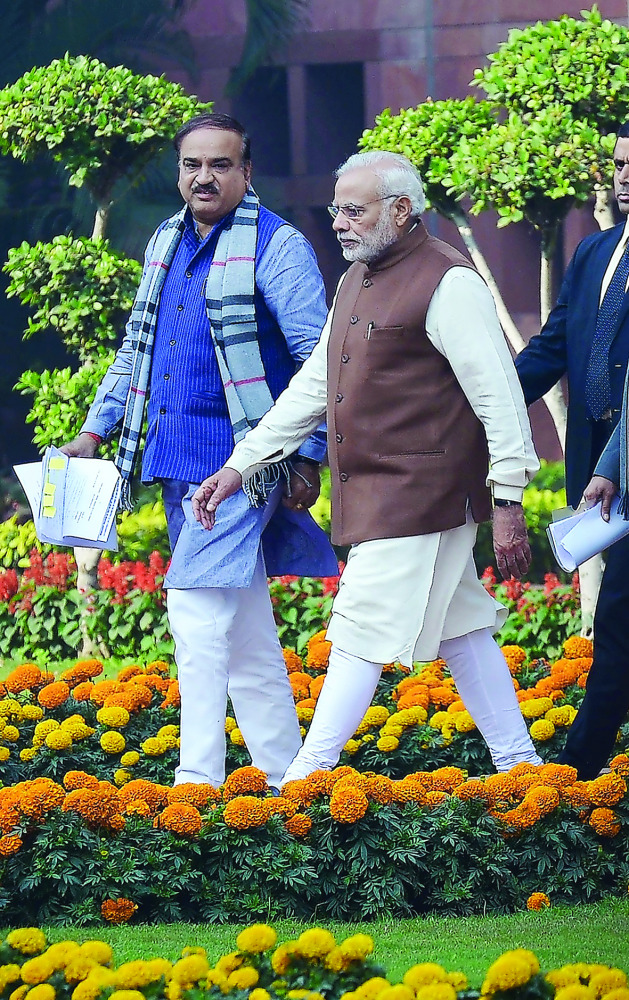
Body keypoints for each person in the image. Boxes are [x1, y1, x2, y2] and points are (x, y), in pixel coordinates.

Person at [191, 149, 544, 784]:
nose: (339, 223)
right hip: (385, 496)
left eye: (354, 210)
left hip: (422, 495)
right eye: (336, 211)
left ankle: (304, 781)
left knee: (355, 628)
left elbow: (498, 393)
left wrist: (510, 497)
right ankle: (522, 768)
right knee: (463, 633)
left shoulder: (448, 279)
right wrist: (241, 465)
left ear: (402, 210)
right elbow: (313, 386)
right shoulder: (358, 276)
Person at [61, 112, 338, 790]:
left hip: (243, 463)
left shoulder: (277, 246)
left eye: (220, 165)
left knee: (191, 607)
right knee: (242, 632)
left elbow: (317, 358)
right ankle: (283, 779)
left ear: (247, 172)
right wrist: (95, 430)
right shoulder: (165, 240)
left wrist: (309, 451)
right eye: (192, 165)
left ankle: (197, 781)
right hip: (174, 461)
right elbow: (138, 348)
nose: (204, 177)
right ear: (179, 172)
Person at [516, 121, 629, 780]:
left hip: (619, 468)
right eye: (618, 162)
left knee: (616, 617)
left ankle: (577, 771)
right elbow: (552, 346)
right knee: (616, 612)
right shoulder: (594, 252)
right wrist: (479, 401)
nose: (625, 175)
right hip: (601, 474)